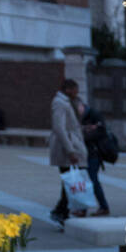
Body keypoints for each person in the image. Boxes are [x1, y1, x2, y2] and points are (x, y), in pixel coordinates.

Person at [48, 79, 87, 227]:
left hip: (74, 143)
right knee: (70, 180)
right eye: (76, 89)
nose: (77, 92)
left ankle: (62, 211)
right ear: (68, 89)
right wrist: (70, 150)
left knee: (72, 180)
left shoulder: (70, 101)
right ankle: (60, 211)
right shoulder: (59, 103)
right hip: (67, 147)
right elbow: (59, 128)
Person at [75, 90, 111, 216]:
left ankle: (103, 207)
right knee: (83, 181)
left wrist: (84, 133)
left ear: (81, 106)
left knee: (92, 180)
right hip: (82, 153)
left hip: (94, 153)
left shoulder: (94, 114)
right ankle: (84, 208)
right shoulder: (77, 117)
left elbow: (102, 132)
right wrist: (86, 130)